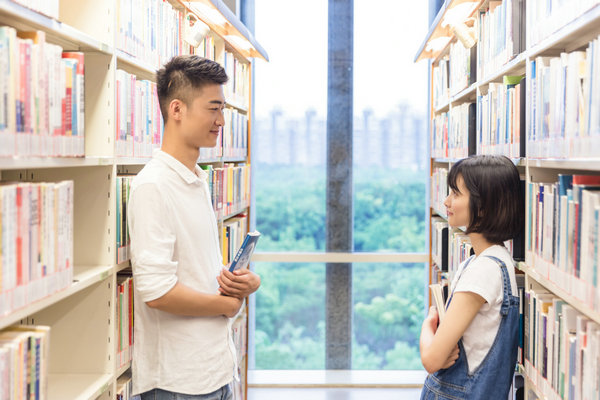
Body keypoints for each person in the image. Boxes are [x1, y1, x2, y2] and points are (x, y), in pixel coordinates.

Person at [128, 55, 261, 400]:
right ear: (177, 110)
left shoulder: (197, 180)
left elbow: (195, 269)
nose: (220, 121)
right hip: (177, 383)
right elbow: (156, 291)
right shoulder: (153, 186)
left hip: (214, 370)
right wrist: (225, 306)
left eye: (223, 110)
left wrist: (238, 283)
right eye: (213, 108)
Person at [419, 155, 523, 399]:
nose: (446, 201)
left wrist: (427, 326)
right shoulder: (490, 260)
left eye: (455, 194)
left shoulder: (482, 270)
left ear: (483, 205)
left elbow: (432, 359)